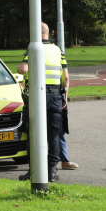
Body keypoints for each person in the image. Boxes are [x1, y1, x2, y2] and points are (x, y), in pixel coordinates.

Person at [17, 23, 70, 182]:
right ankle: (52, 171)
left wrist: (20, 68)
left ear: (35, 33)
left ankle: (34, 170)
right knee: (53, 134)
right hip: (55, 96)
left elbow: (24, 69)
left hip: (37, 96)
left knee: (33, 134)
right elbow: (66, 77)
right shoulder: (57, 50)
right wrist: (65, 96)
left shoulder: (33, 48)